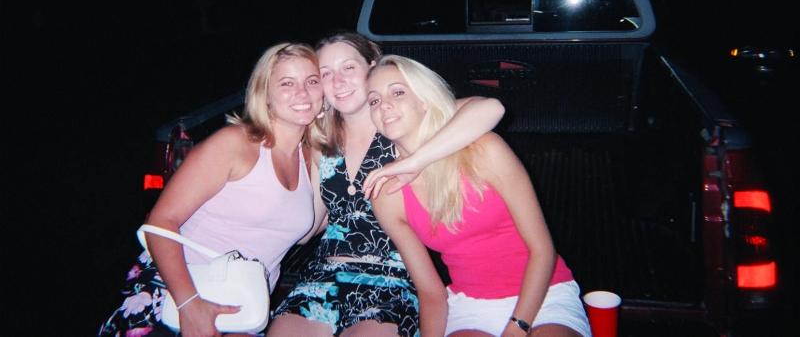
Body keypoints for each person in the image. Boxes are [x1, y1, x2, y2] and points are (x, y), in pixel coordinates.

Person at [267, 32, 505, 337]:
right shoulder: (322, 143)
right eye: (326, 73)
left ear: (372, 67)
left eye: (348, 67)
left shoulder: (402, 127)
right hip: (324, 274)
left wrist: (416, 160)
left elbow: (491, 108)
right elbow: (309, 225)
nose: (338, 81)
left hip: (392, 279)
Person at [98, 42, 328, 337]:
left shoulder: (310, 158)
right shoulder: (235, 144)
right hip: (176, 292)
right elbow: (160, 223)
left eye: (312, 81)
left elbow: (308, 230)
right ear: (265, 94)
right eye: (287, 83)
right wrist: (189, 304)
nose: (302, 92)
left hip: (243, 306)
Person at [367, 55, 591, 337]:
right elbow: (431, 293)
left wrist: (517, 327)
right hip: (471, 305)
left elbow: (542, 249)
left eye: (398, 92)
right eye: (374, 100)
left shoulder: (484, 150)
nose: (384, 105)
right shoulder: (387, 193)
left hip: (544, 294)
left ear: (424, 100)